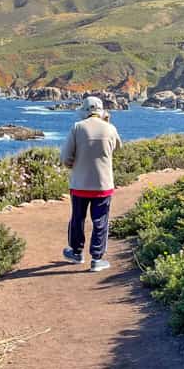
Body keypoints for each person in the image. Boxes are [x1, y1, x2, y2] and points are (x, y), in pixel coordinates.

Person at [59, 95, 122, 272]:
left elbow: (65, 158)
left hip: (80, 184)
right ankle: (97, 259)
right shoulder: (110, 128)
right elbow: (117, 147)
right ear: (101, 111)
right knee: (100, 220)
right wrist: (107, 123)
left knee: (77, 218)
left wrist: (74, 165)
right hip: (103, 185)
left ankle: (76, 252)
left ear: (84, 111)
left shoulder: (77, 128)